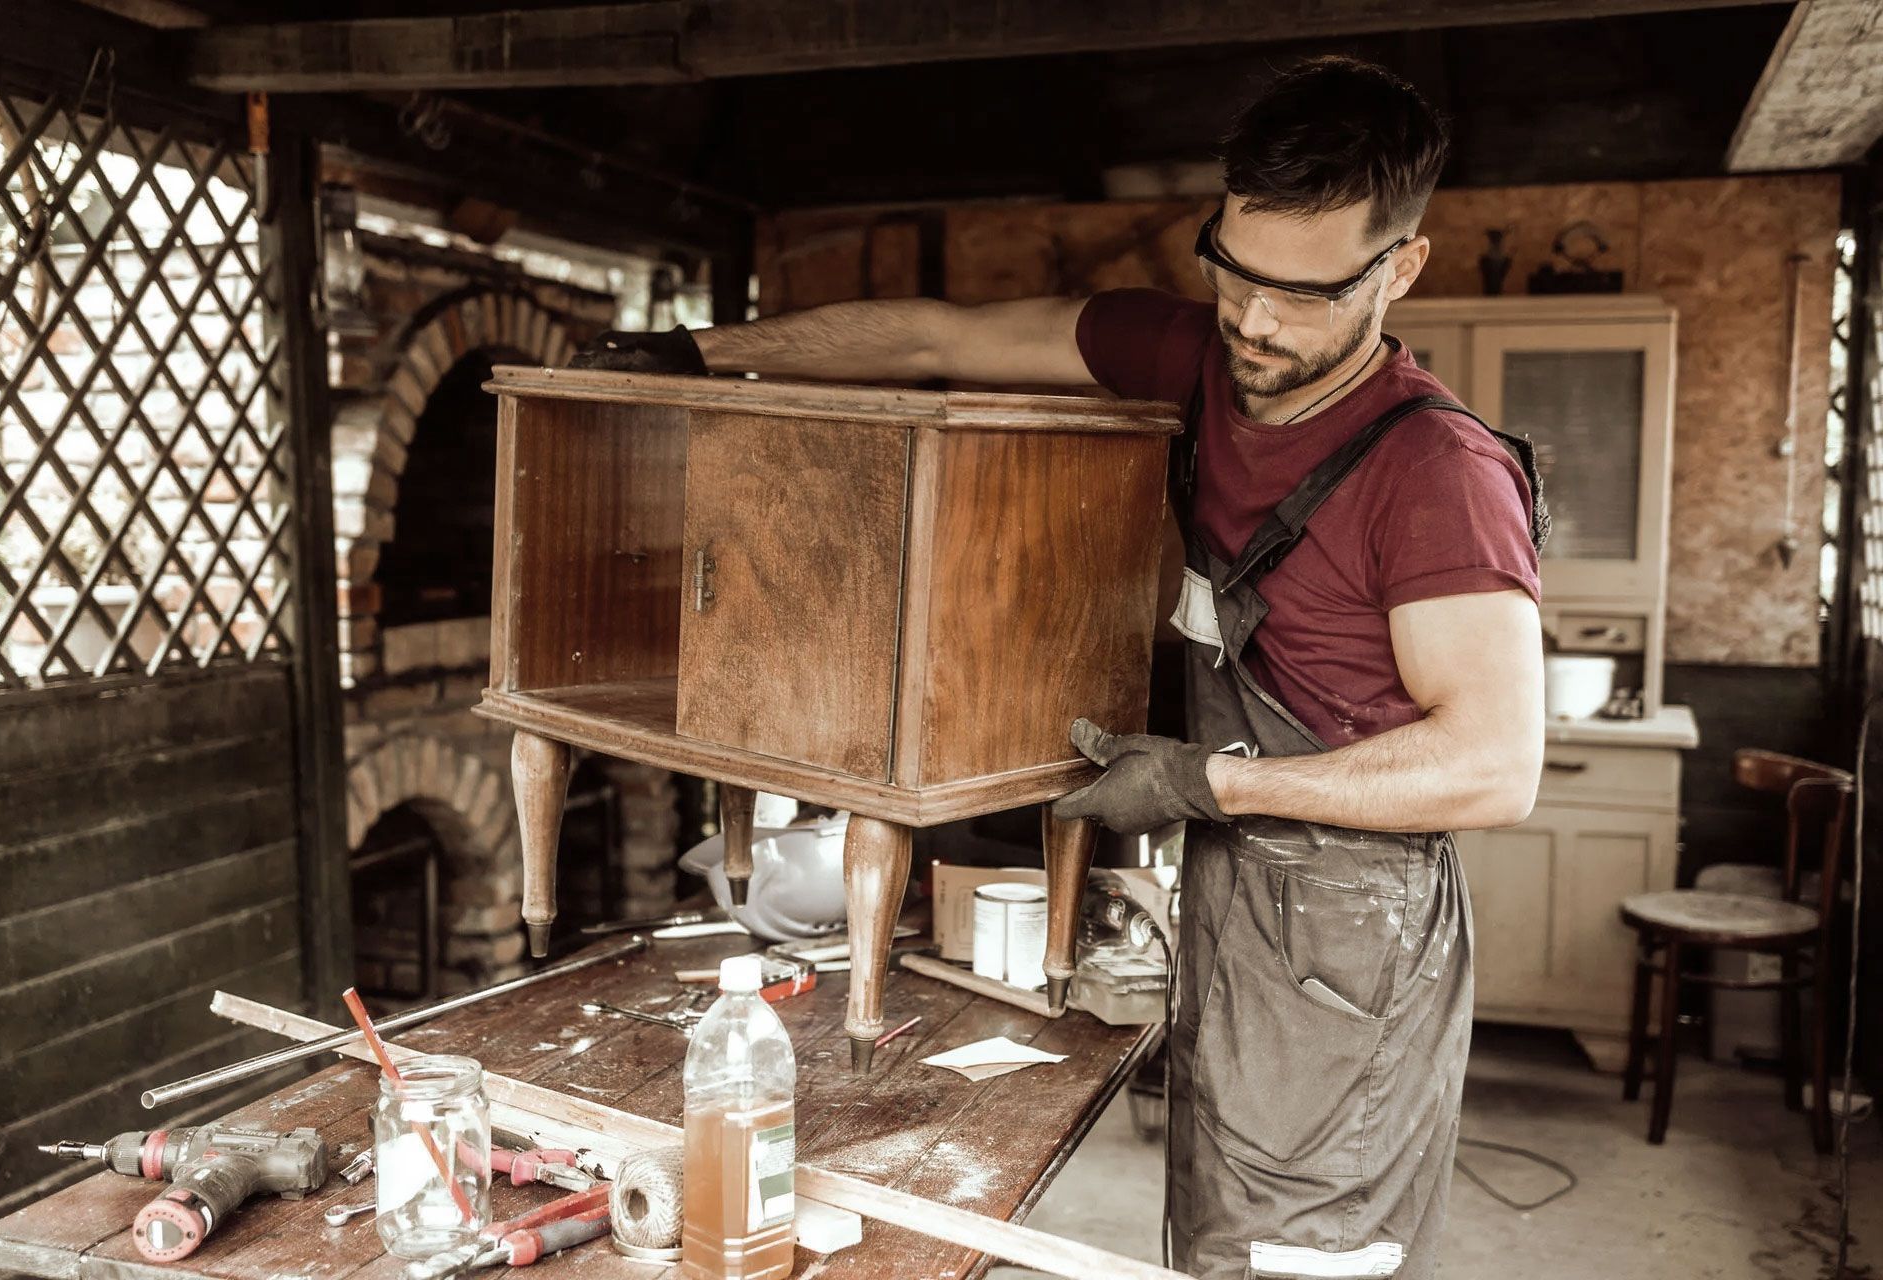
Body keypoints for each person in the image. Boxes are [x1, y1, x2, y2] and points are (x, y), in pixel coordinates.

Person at [573, 55, 1547, 1280]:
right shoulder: (1197, 355)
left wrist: (1202, 784)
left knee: (1302, 1254)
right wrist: (696, 356)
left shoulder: (1436, 472)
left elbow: (1495, 767)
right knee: (1215, 1233)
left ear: (1399, 267)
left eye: (1303, 295)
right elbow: (935, 335)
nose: (1255, 319)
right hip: (1240, 885)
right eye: (1234, 270)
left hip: (1358, 920)